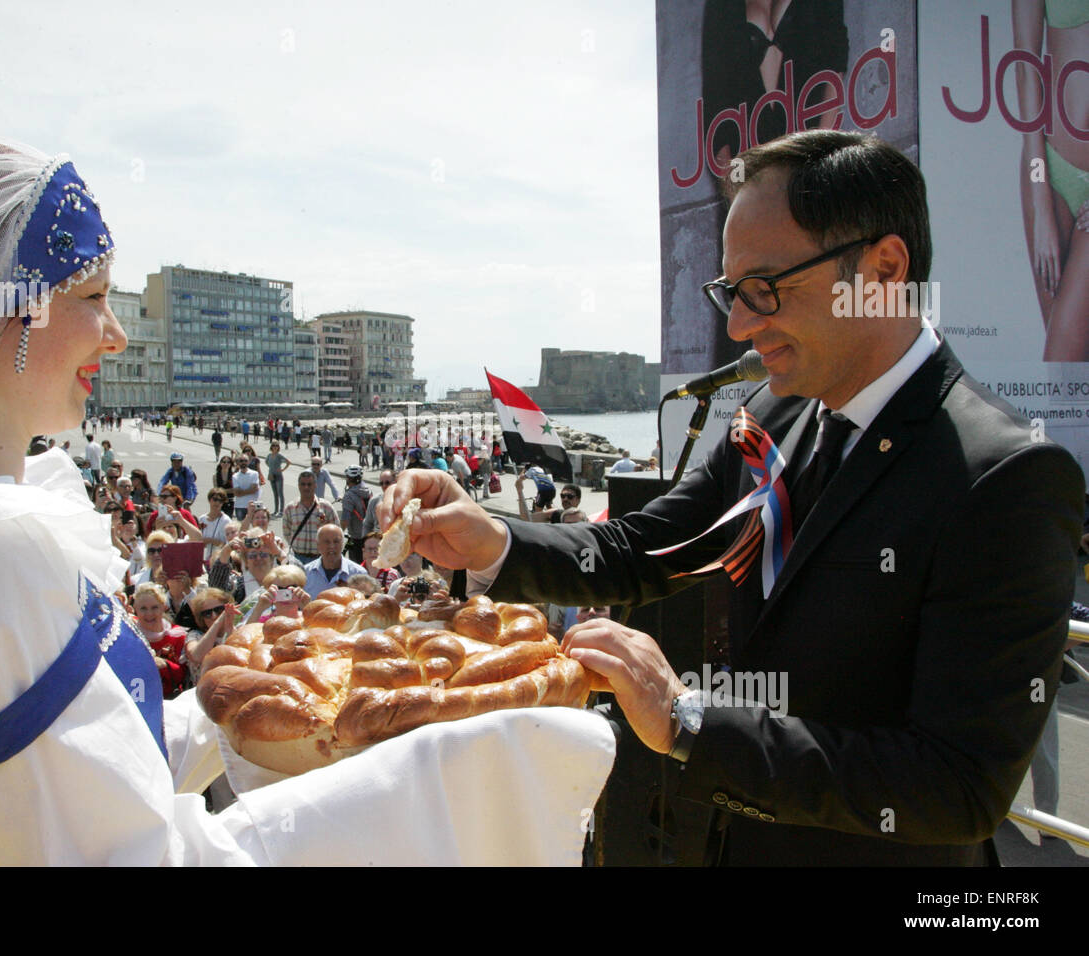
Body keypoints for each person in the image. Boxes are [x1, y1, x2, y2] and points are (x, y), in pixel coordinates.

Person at [0, 135, 612, 868]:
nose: (114, 333)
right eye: (91, 295)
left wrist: (284, 693)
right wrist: (461, 766)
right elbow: (135, 856)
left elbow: (86, 770)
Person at [379, 130, 1084, 866]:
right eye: (729, 291)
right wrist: (493, 540)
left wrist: (688, 721)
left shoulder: (1005, 478)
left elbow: (957, 786)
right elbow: (644, 548)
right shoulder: (774, 418)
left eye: (765, 288)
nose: (738, 326)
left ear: (882, 269)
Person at [1015, 1, 1089, 360]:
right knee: (1068, 379)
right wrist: (1041, 200)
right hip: (1048, 169)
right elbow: (1025, 65)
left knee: (1062, 362)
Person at [282, 469, 339, 565]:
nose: (306, 487)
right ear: (299, 486)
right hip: (297, 558)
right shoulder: (290, 508)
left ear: (315, 485)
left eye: (309, 484)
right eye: (303, 484)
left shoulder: (326, 507)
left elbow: (337, 530)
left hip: (320, 559)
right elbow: (286, 532)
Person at [303, 524, 368, 599]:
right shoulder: (305, 573)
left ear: (343, 543)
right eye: (326, 542)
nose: (332, 546)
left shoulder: (359, 573)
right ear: (318, 545)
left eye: (336, 541)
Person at [340, 465, 372, 564]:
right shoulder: (367, 491)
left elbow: (345, 519)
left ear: (349, 479)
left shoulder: (349, 496)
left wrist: (339, 533)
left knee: (357, 567)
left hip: (356, 537)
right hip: (369, 535)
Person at [230, 453, 260, 521]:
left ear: (248, 461)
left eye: (245, 460)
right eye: (241, 461)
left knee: (254, 529)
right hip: (240, 506)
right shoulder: (235, 476)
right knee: (242, 529)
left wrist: (241, 492)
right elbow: (237, 493)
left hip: (253, 506)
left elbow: (254, 489)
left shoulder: (254, 473)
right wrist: (250, 490)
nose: (243, 462)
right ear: (238, 462)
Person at [265, 441, 291, 512]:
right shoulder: (269, 455)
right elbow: (266, 462)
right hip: (271, 475)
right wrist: (271, 468)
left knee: (280, 493)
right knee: (275, 494)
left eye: (276, 446)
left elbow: (288, 462)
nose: (275, 447)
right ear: (271, 447)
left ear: (278, 447)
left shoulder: (279, 456)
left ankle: (281, 510)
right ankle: (276, 510)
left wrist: (282, 469)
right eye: (274, 446)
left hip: (278, 475)